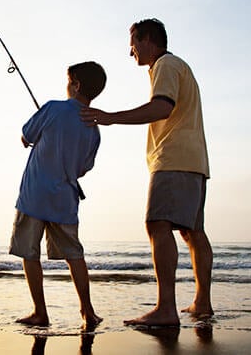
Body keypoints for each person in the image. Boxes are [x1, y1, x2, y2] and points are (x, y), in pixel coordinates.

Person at [80, 18, 213, 327]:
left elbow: (161, 108)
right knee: (192, 232)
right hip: (194, 161)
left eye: (133, 44)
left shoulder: (165, 65)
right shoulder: (179, 66)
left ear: (148, 40)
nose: (131, 52)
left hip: (173, 158)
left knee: (157, 224)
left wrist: (110, 117)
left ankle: (166, 308)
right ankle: (202, 303)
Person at [10, 61, 106, 329]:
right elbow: (84, 168)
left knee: (30, 253)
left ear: (75, 85)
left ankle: (40, 312)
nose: (66, 86)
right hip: (65, 199)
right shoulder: (93, 129)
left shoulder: (53, 108)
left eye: (68, 81)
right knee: (74, 255)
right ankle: (87, 311)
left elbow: (26, 135)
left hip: (34, 195)